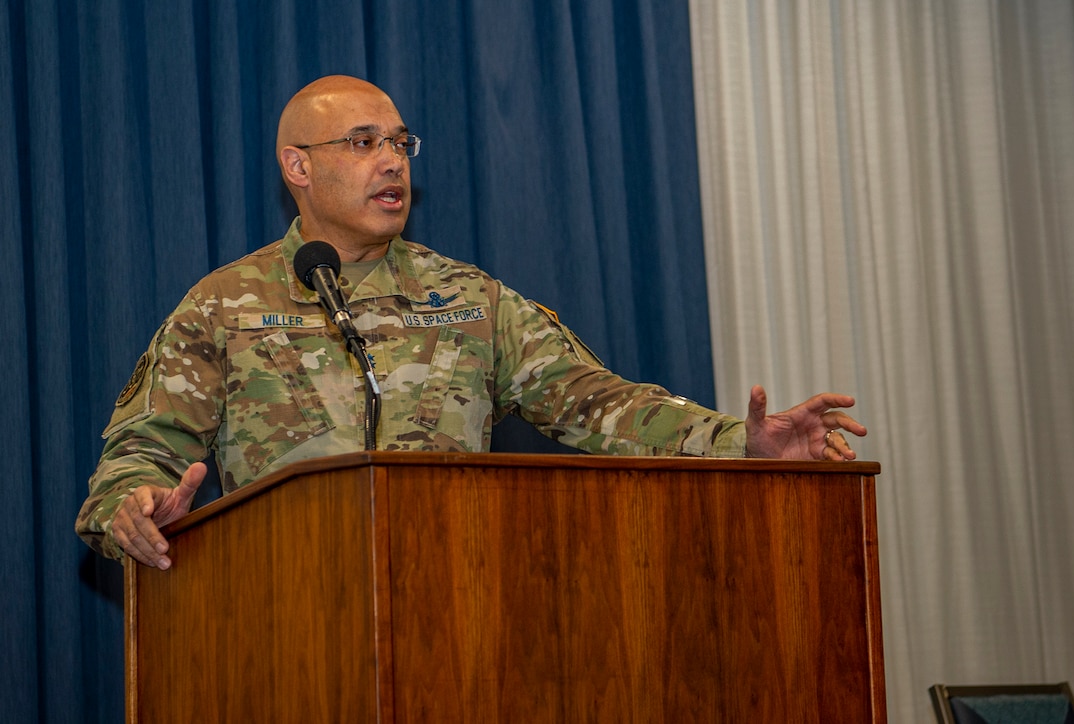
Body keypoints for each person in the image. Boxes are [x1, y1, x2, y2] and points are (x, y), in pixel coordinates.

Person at [75, 75, 866, 570]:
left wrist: (742, 442)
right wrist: (134, 504)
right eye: (363, 143)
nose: (393, 160)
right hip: (285, 614)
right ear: (299, 167)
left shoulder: (472, 302)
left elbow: (600, 405)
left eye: (399, 142)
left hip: (462, 614)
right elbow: (140, 451)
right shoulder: (223, 305)